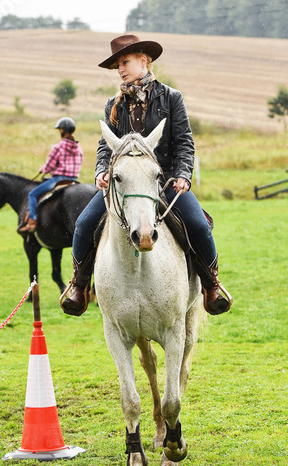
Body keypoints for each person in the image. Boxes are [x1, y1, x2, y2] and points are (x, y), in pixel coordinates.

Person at [62, 34, 232, 316]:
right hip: (124, 185)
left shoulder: (172, 97)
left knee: (199, 225)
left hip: (164, 182)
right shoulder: (112, 104)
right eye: (118, 64)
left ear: (144, 61)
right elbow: (106, 145)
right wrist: (102, 170)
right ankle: (79, 287)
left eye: (125, 61)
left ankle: (211, 284)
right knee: (83, 224)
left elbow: (184, 143)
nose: (121, 68)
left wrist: (183, 176)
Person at [19, 117, 83, 233]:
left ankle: (32, 221)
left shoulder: (58, 146)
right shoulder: (78, 147)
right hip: (74, 179)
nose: (59, 131)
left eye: (60, 129)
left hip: (59, 179)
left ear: (63, 130)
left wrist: (43, 169)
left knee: (32, 194)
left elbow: (49, 165)